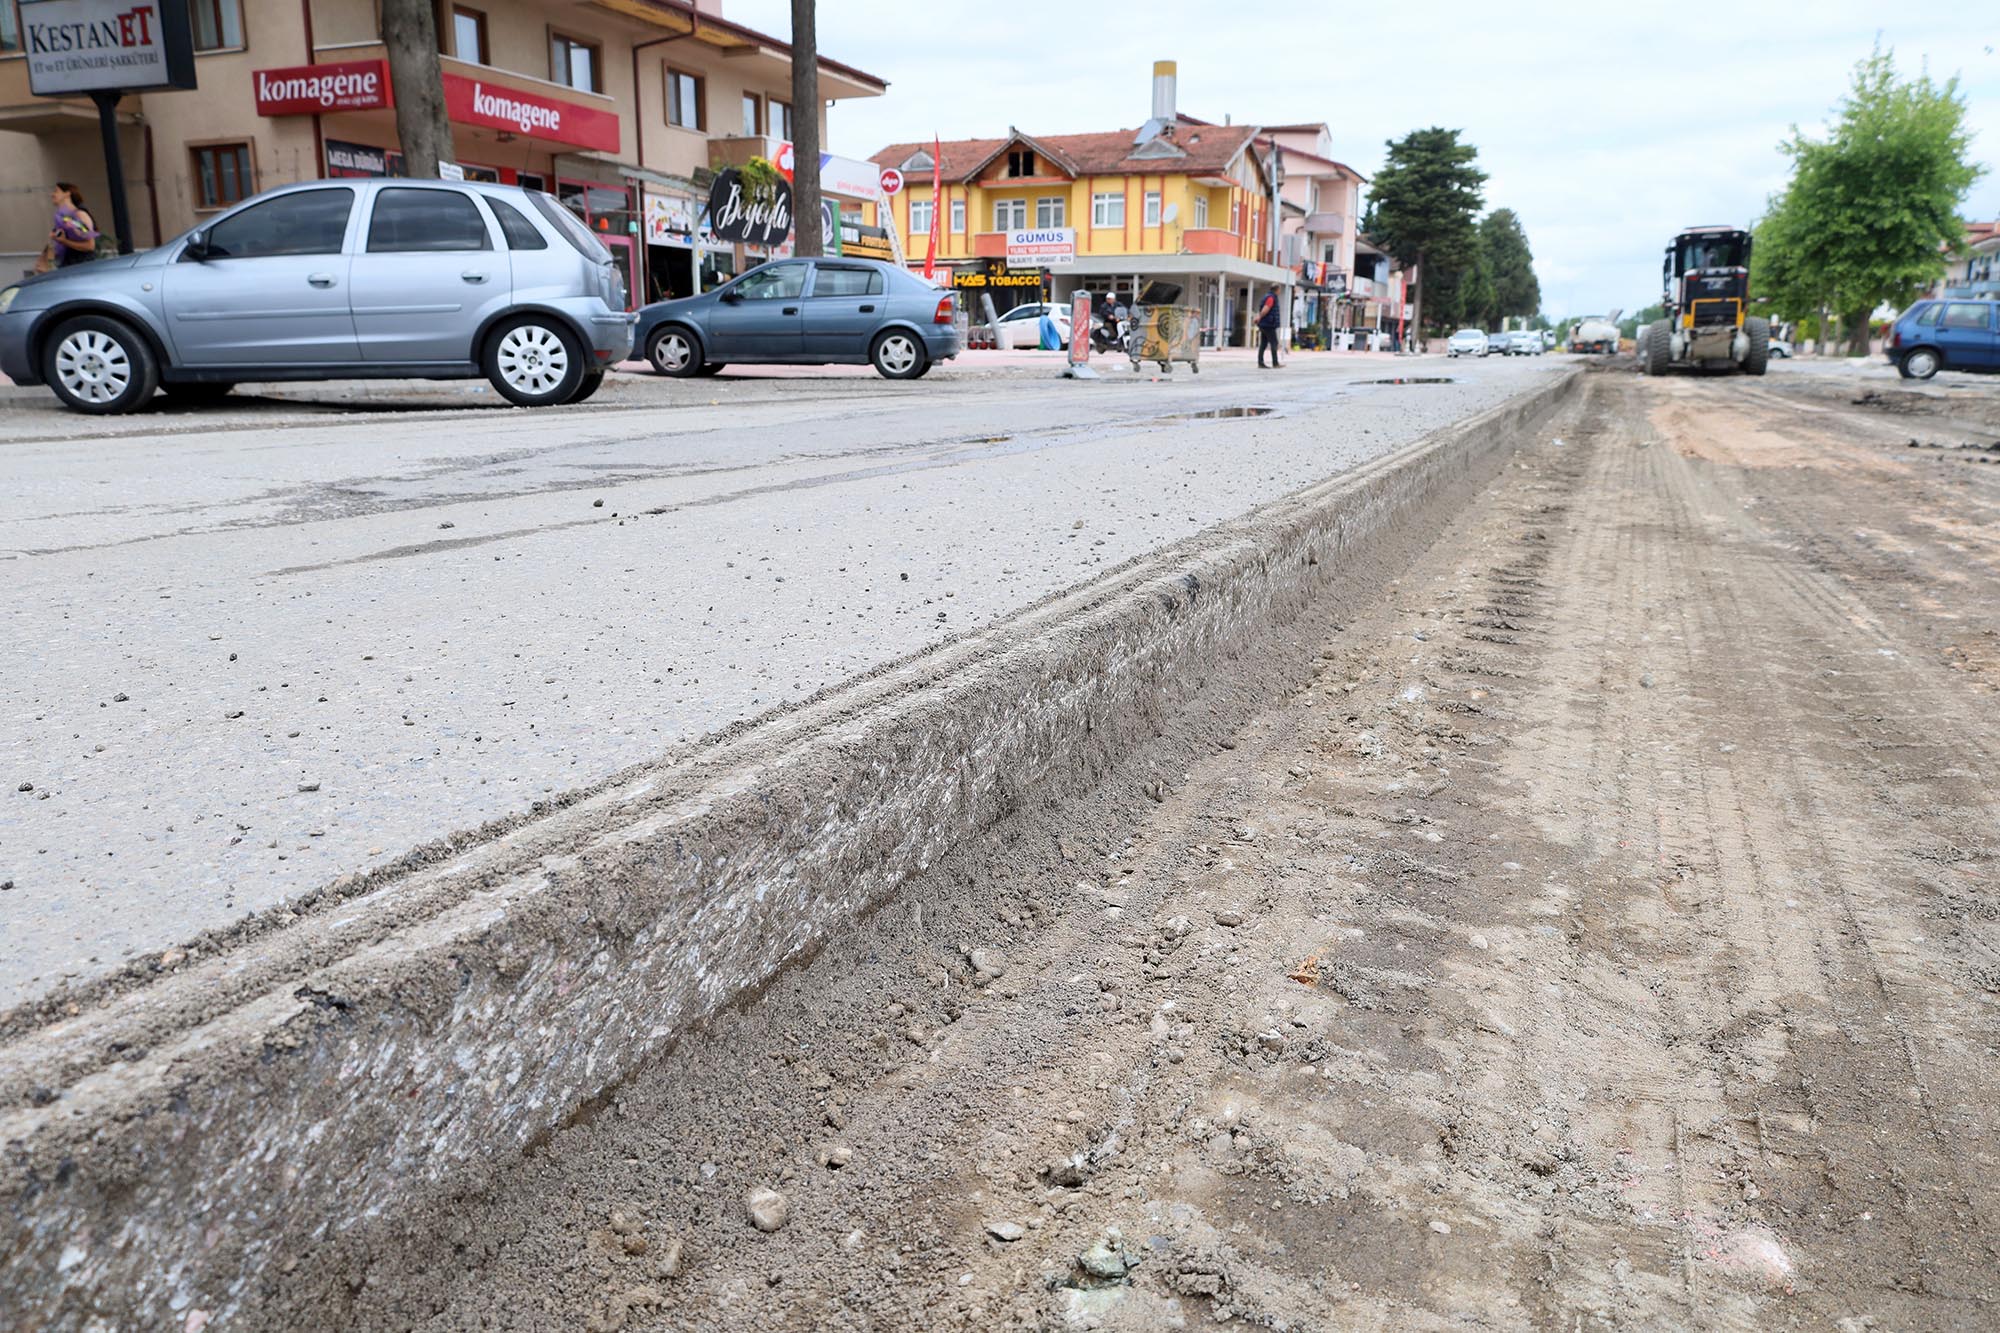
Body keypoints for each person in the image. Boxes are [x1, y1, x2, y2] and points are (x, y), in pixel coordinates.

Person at [49, 183, 98, 269]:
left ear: (67, 194)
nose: (52, 195)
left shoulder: (78, 215)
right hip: (68, 266)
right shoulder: (64, 217)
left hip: (81, 267)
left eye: (56, 191)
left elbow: (90, 245)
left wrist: (64, 241)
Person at [1255, 286, 1281, 368]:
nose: (1280, 291)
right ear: (1277, 290)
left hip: (1265, 324)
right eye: (1279, 290)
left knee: (1263, 344)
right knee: (1274, 343)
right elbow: (1266, 308)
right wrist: (1259, 317)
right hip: (1268, 324)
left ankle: (1260, 362)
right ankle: (1275, 363)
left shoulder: (1268, 296)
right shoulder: (1271, 298)